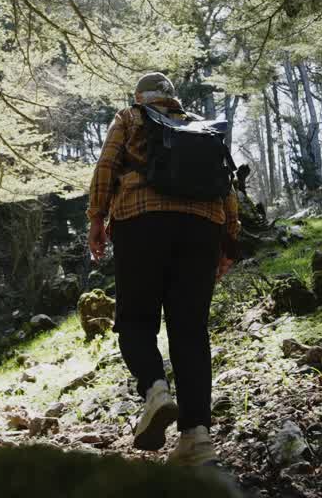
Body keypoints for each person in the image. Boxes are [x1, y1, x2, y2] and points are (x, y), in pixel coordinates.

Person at [86, 72, 241, 467]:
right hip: (203, 225)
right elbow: (226, 186)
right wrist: (228, 241)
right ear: (172, 98)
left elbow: (107, 166)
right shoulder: (200, 126)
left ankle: (155, 390)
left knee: (136, 319)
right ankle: (197, 438)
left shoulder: (129, 117)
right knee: (190, 330)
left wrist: (96, 220)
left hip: (142, 219)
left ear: (141, 97)